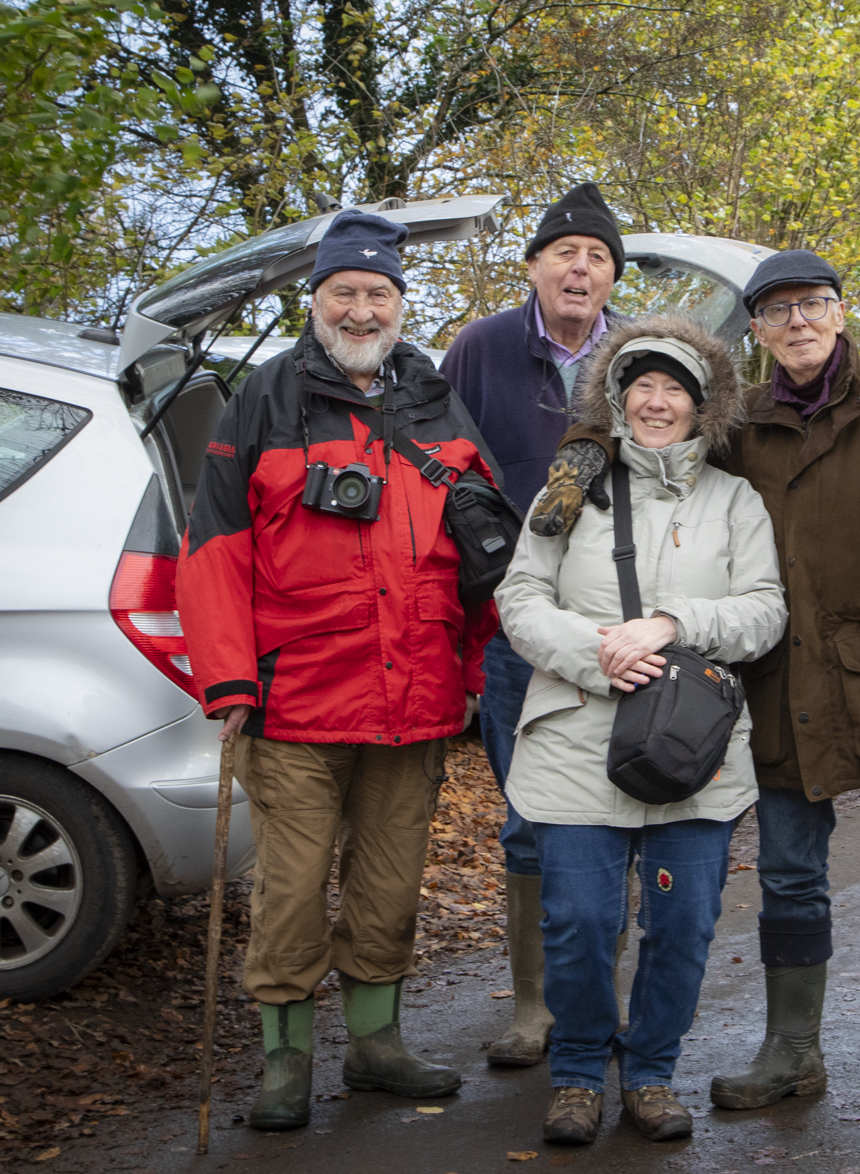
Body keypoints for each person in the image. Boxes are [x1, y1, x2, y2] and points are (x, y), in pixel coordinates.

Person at [542, 250, 860, 1146]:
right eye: (776, 311)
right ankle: (791, 1051)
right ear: (756, 331)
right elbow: (653, 430)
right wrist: (579, 455)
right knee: (791, 881)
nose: (797, 322)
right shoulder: (748, 423)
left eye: (813, 304)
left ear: (841, 313)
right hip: (782, 695)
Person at [176, 209, 503, 1130]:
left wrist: (472, 667)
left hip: (417, 697)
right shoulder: (265, 399)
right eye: (344, 293)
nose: (361, 311)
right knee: (290, 888)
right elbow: (213, 549)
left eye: (379, 294)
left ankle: (375, 1044)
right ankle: (284, 1063)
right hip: (295, 701)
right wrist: (229, 679)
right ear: (314, 299)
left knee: (392, 883)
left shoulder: (435, 400)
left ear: (401, 303)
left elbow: (485, 548)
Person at [495, 314, 786, 1145]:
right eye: (642, 385)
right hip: (575, 742)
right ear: (618, 397)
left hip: (695, 751)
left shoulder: (735, 501)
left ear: (704, 406)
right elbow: (518, 597)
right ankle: (581, 1072)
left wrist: (669, 623)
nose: (657, 402)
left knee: (683, 923)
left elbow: (765, 611)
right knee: (580, 921)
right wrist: (597, 657)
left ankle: (651, 1074)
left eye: (676, 389)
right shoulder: (570, 486)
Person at [439, 182, 626, 1065]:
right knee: (530, 815)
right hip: (517, 625)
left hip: (615, 627)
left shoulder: (637, 353)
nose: (580, 267)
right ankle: (534, 1008)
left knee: (618, 805)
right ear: (536, 268)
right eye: (566, 252)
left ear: (611, 274)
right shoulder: (478, 349)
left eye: (596, 256)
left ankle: (598, 999)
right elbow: (435, 463)